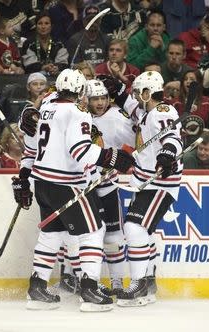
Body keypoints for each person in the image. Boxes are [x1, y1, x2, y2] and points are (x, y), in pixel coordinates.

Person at [13, 68, 134, 311]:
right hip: (67, 184)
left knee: (51, 235)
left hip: (43, 183)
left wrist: (24, 176)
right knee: (93, 232)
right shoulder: (77, 111)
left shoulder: (46, 106)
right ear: (81, 92)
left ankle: (37, 288)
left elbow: (30, 140)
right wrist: (111, 157)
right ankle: (89, 289)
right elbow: (80, 150)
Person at [107, 71, 183, 306]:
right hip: (147, 182)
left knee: (134, 228)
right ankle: (148, 284)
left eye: (139, 92)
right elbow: (131, 107)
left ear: (148, 93)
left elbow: (172, 137)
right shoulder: (146, 111)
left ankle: (139, 285)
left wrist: (167, 154)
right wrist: (117, 90)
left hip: (160, 183)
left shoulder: (162, 111)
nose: (136, 96)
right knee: (143, 233)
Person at [85, 79, 135, 297]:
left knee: (113, 236)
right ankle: (82, 280)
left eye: (104, 97)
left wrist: (125, 158)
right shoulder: (77, 117)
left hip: (106, 186)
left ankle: (116, 281)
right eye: (95, 98)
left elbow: (138, 139)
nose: (100, 102)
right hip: (83, 188)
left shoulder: (116, 117)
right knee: (82, 236)